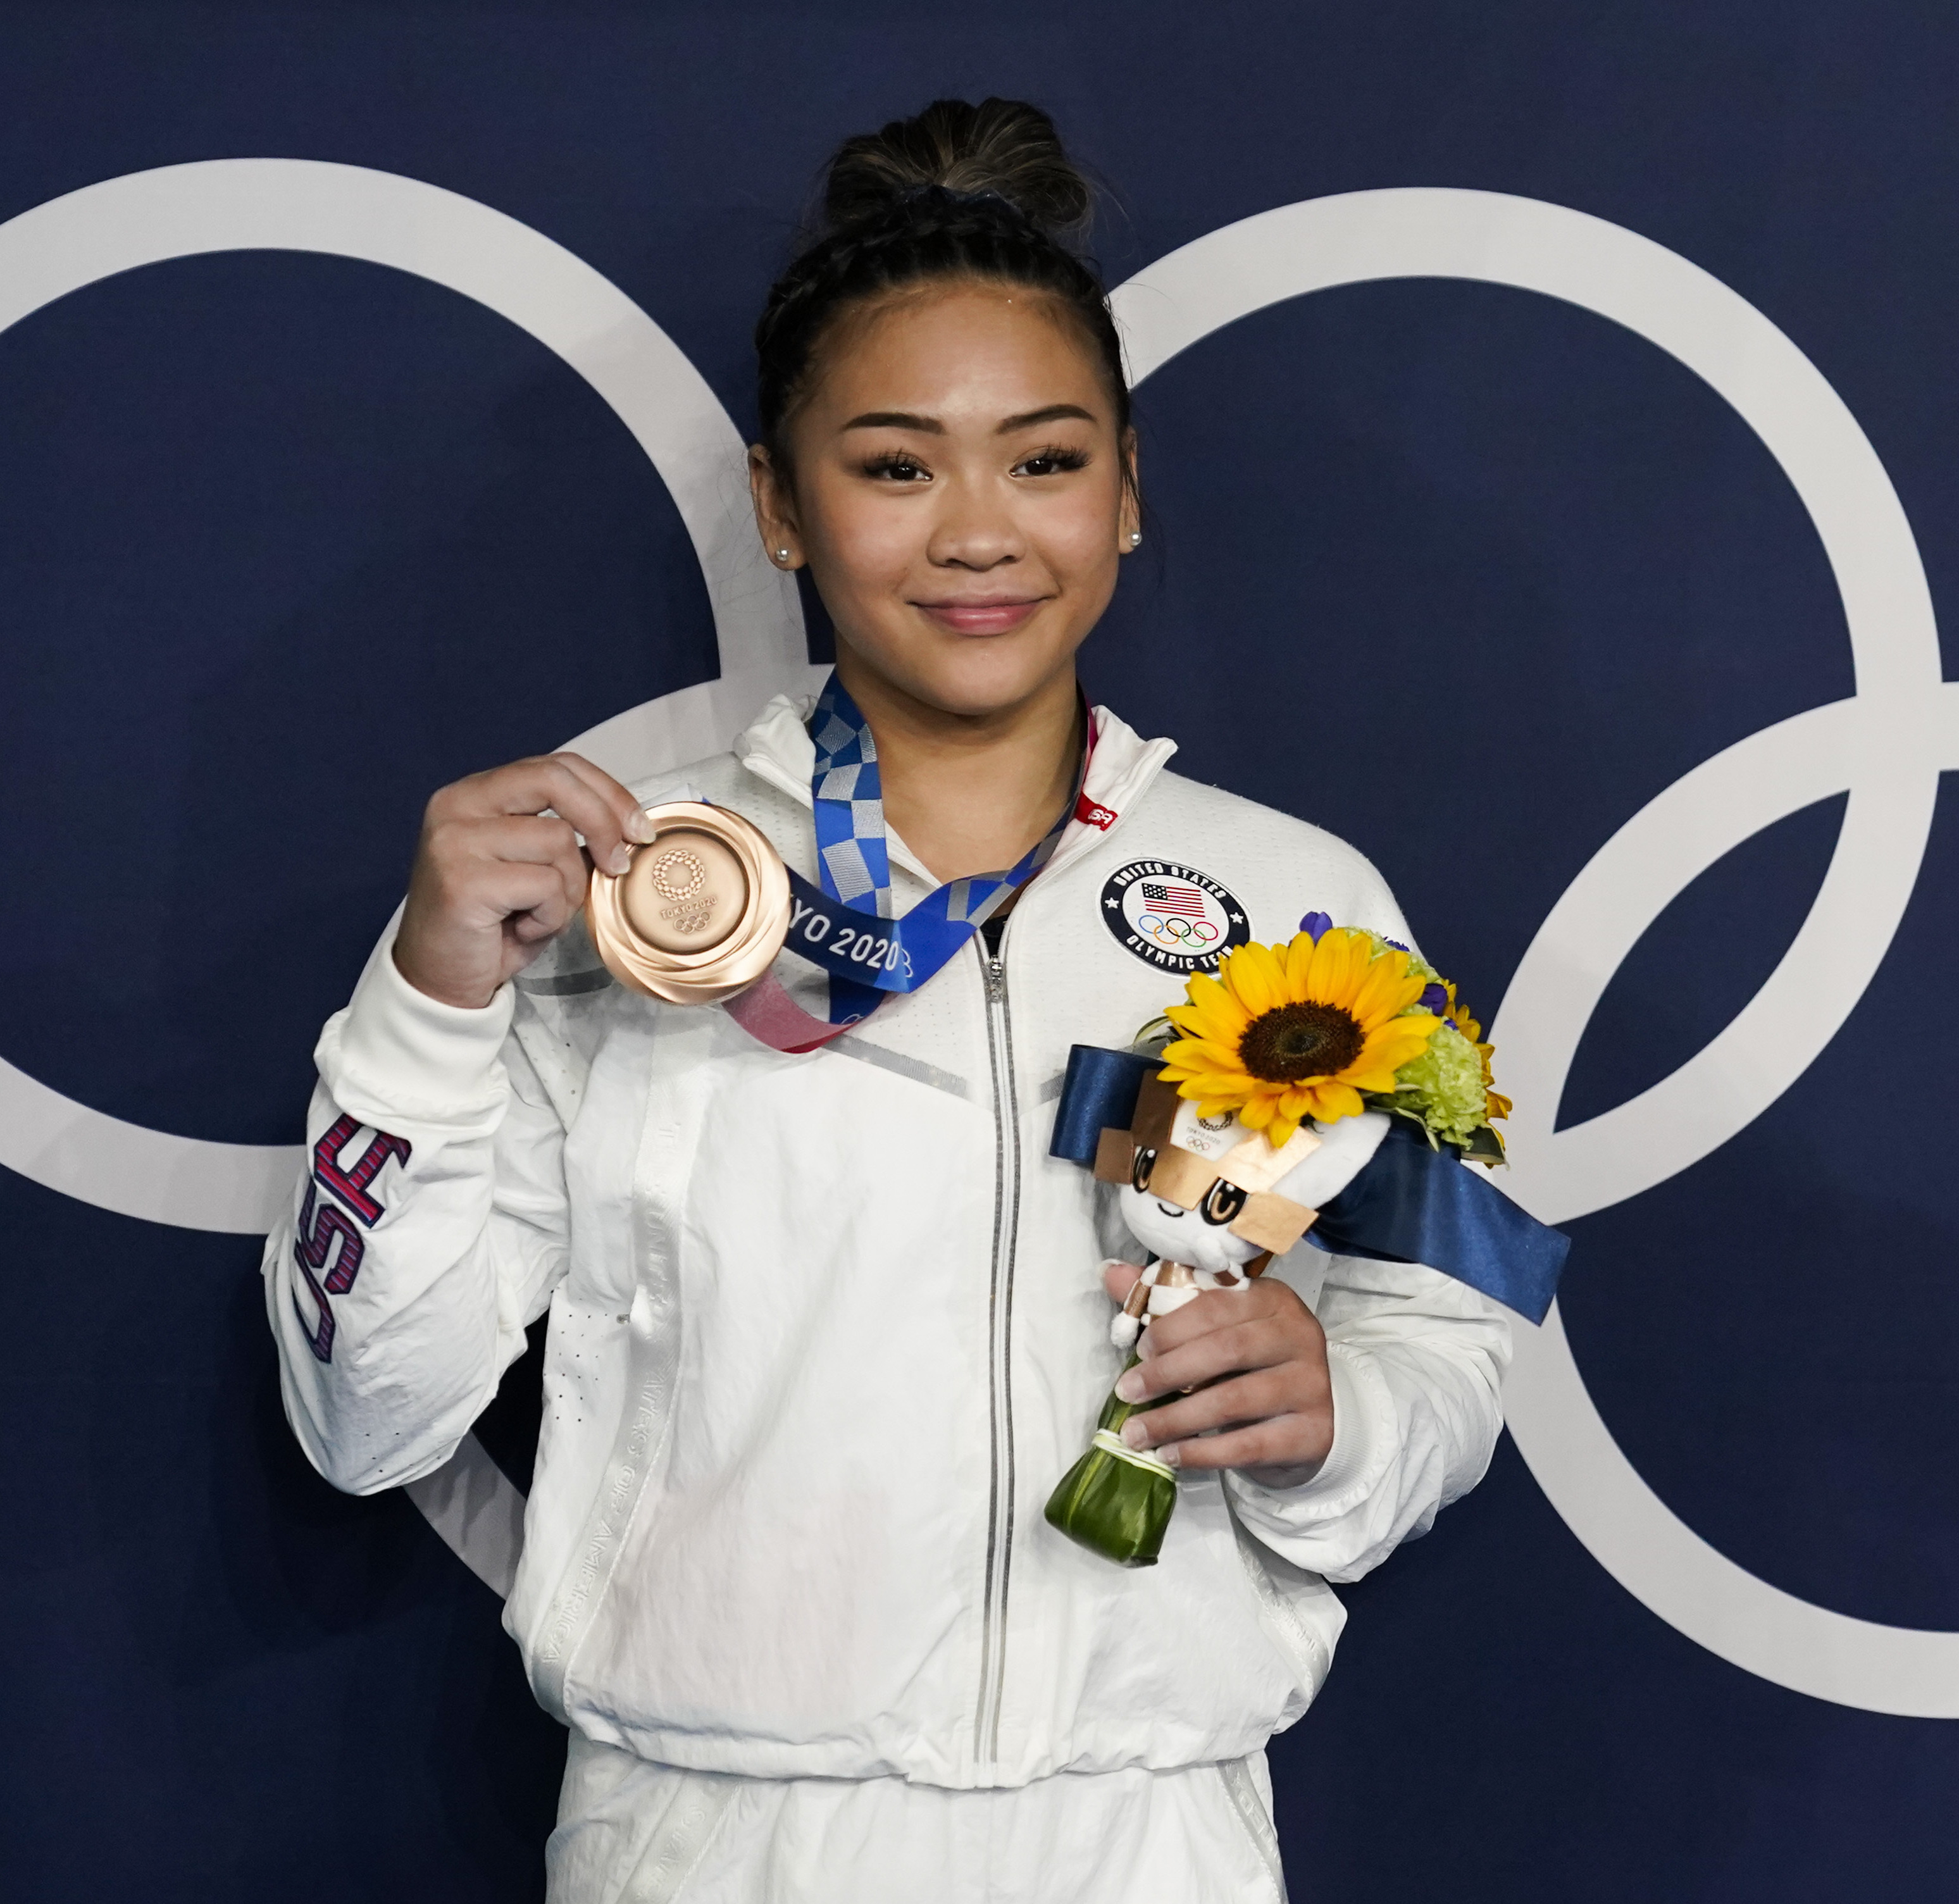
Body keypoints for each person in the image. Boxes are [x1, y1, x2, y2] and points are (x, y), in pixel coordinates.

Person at [266, 96, 1511, 1903]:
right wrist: (427, 999)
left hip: (1148, 1832)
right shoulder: (625, 876)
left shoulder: (1304, 907)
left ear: (1131, 490)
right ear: (781, 504)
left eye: (1047, 458)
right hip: (711, 1836)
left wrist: (1343, 1421)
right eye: (897, 464)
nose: (980, 533)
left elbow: (1454, 1337)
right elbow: (360, 1414)